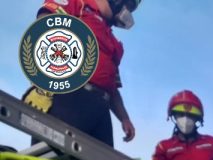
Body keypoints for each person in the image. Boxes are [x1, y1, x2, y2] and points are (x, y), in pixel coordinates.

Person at [26, 0, 138, 147]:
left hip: (100, 109)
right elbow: (44, 26)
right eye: (127, 6)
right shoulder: (78, 4)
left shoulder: (113, 42)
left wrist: (124, 118)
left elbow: (112, 88)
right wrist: (43, 83)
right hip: (69, 96)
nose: (127, 12)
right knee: (51, 157)